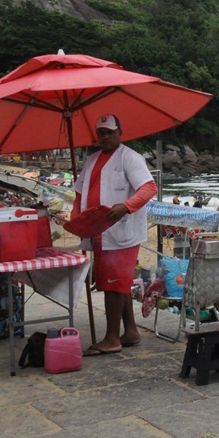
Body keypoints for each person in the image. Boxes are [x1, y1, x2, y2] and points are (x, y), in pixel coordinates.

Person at [71, 114, 157, 356]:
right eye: (101, 133)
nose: (106, 136)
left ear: (119, 132)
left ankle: (111, 338)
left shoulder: (131, 157)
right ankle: (130, 331)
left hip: (123, 231)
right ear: (97, 136)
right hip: (97, 231)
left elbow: (149, 187)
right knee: (118, 282)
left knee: (113, 284)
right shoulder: (91, 160)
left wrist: (126, 206)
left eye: (110, 132)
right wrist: (76, 218)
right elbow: (79, 193)